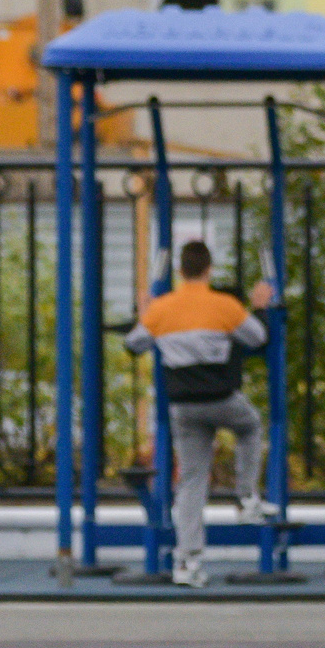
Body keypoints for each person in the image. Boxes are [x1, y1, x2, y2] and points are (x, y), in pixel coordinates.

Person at [125, 239, 277, 587]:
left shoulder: (162, 308)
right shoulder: (225, 305)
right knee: (251, 426)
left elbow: (134, 343)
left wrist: (144, 312)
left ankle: (187, 561)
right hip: (222, 398)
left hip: (183, 406)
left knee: (192, 481)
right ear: (209, 270)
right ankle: (247, 497)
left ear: (180, 270)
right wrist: (259, 306)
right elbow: (257, 338)